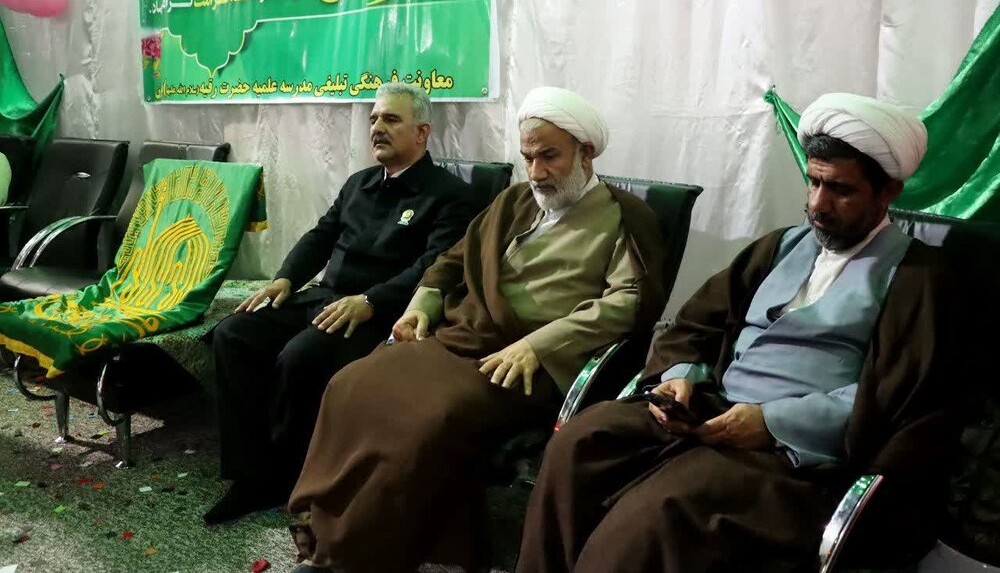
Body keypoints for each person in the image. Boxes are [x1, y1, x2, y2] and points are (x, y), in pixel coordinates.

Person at [515, 93, 967, 573]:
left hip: (794, 454)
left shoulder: (919, 280)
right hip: (709, 408)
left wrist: (772, 422)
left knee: (656, 513)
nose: (819, 204)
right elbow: (697, 322)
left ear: (888, 191)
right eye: (813, 182)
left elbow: (904, 400)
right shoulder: (780, 247)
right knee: (580, 443)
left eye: (841, 190)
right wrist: (681, 376)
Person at [286, 86, 669, 573]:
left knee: (429, 419)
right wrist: (422, 304)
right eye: (528, 158)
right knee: (350, 385)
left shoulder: (623, 217)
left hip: (531, 364)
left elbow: (628, 302)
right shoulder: (516, 201)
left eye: (550, 157)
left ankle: (360, 553)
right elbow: (451, 260)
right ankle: (327, 526)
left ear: (586, 153)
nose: (537, 172)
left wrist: (536, 345)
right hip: (464, 336)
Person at [204, 82, 474, 524]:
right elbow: (321, 236)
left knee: (301, 357)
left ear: (422, 132)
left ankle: (296, 478)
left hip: (382, 313)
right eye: (374, 119)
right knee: (234, 334)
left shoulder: (450, 195)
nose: (377, 128)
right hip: (326, 298)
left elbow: (434, 267)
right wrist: (286, 278)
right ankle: (250, 475)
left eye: (391, 119)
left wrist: (371, 300)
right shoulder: (359, 183)